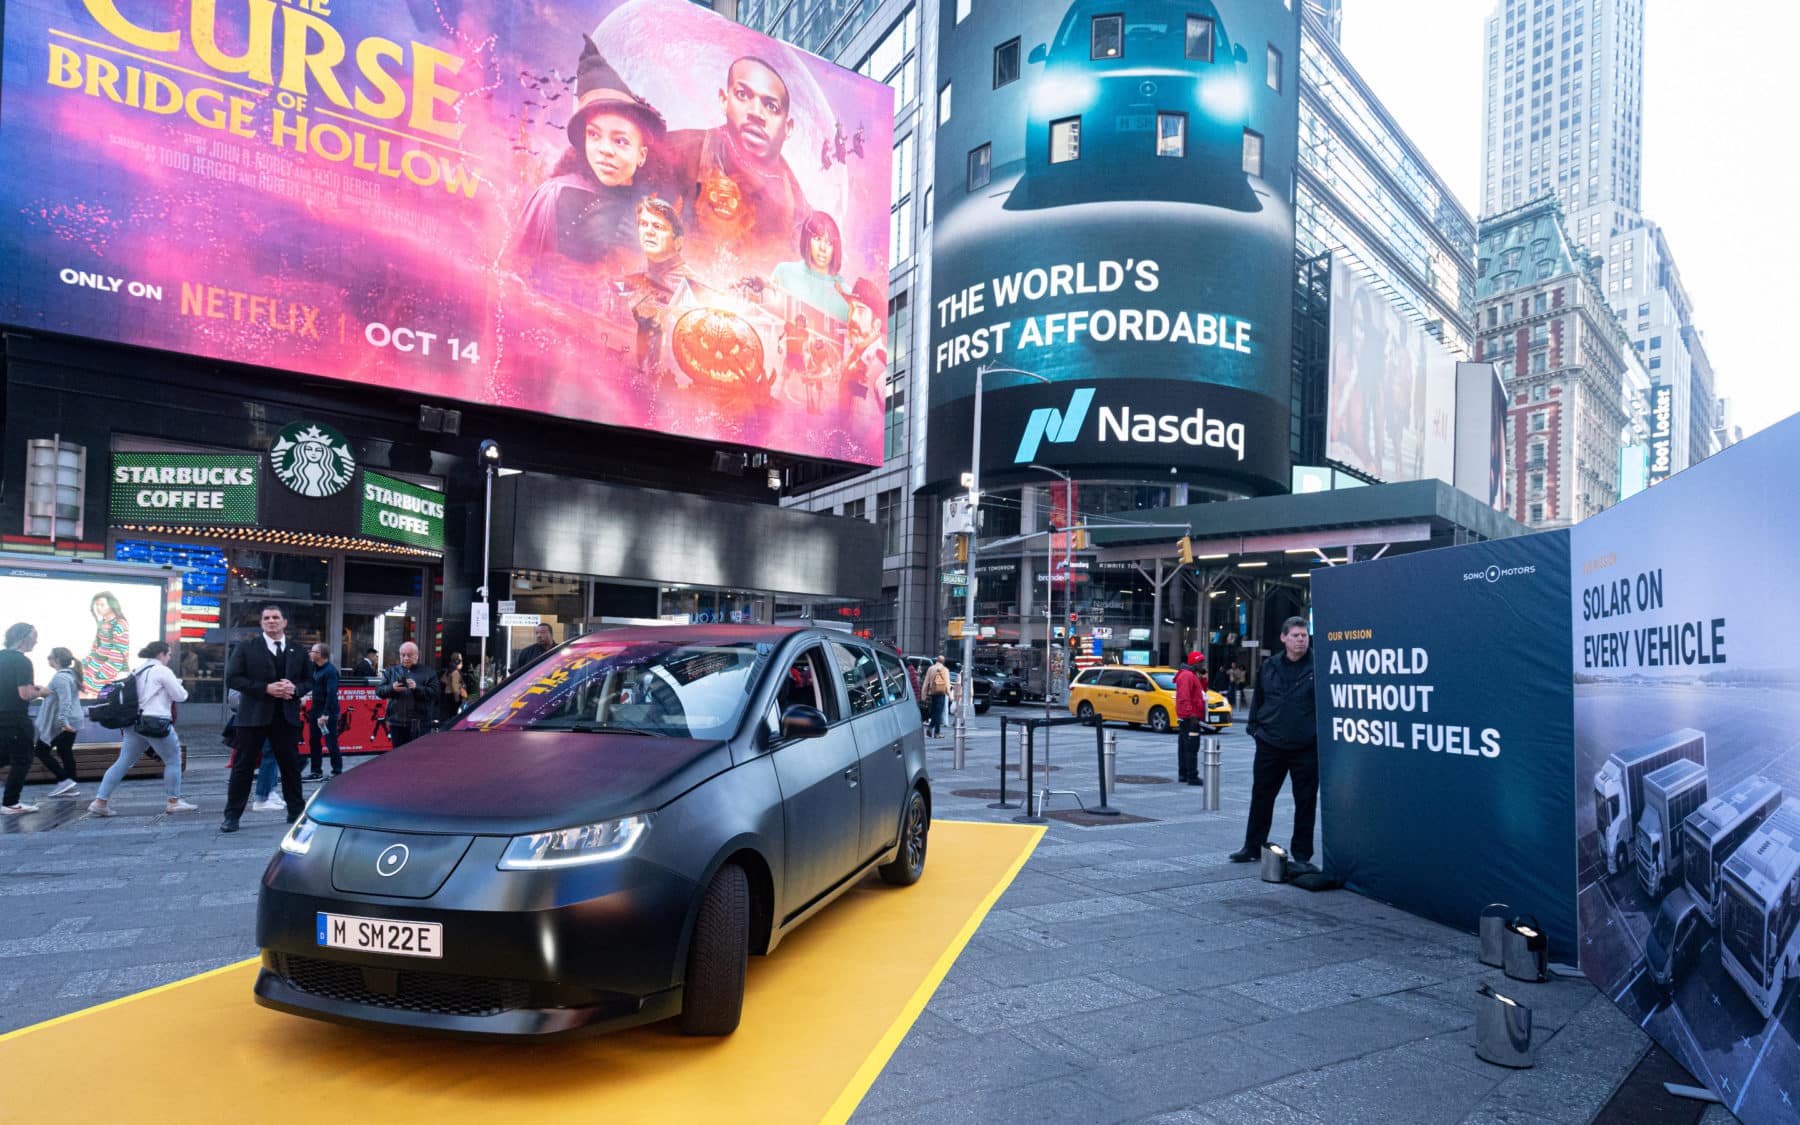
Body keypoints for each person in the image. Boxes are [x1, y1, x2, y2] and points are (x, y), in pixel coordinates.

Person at [515, 35, 670, 266]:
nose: (605, 150)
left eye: (620, 141)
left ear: (642, 154)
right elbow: (520, 271)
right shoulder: (556, 193)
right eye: (594, 135)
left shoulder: (652, 209)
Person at [662, 56, 813, 274]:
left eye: (771, 106)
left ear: (788, 127)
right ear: (724, 99)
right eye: (743, 95)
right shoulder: (677, 152)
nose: (756, 113)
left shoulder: (802, 216)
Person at [1231, 618, 1319, 871]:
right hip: (1270, 744)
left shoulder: (1318, 666)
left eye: (1304, 635)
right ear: (1283, 638)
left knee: (1305, 800)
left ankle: (1302, 854)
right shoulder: (1269, 666)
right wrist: (1254, 729)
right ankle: (1252, 846)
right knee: (1261, 796)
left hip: (1305, 747)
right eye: (1295, 635)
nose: (1301, 639)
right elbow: (1258, 699)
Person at [219, 605, 313, 833]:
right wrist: (266, 689)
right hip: (253, 717)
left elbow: (310, 681)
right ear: (261, 623)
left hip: (286, 717)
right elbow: (232, 679)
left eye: (276, 617)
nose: (271, 621)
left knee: (290, 767)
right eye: (267, 618)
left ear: (284, 622)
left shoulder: (298, 650)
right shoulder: (246, 648)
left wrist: (295, 688)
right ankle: (232, 817)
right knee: (242, 767)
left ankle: (296, 813)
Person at [86, 641, 197, 817]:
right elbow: (180, 695)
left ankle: (100, 801)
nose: (169, 658)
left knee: (123, 762)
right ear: (161, 654)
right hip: (155, 723)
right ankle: (173, 801)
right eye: (168, 654)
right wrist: (177, 683)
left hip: (134, 724)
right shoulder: (162, 670)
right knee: (173, 759)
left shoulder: (137, 671)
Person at [619, 197, 696, 376]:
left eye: (658, 227)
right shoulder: (638, 273)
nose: (649, 232)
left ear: (677, 241)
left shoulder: (688, 283)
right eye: (644, 224)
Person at [1, 623, 51, 815]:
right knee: (22, 758)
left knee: (3, 757)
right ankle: (11, 802)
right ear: (24, 638)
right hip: (15, 718)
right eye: (34, 637)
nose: (36, 641)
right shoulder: (22, 662)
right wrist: (41, 692)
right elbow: (24, 694)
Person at [771, 212, 849, 321]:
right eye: (817, 239)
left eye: (829, 242)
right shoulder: (784, 272)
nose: (823, 248)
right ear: (807, 239)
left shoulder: (847, 295)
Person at [32, 646, 84, 799]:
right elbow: (58, 695)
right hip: (72, 721)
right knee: (64, 751)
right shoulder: (70, 675)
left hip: (64, 723)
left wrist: (62, 722)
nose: (47, 659)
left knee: (41, 751)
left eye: (50, 656)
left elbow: (65, 700)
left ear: (56, 660)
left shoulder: (61, 677)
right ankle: (71, 785)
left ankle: (64, 780)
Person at [377, 642, 440, 749]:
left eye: (409, 655)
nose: (406, 658)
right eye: (403, 655)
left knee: (418, 755)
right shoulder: (391, 672)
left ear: (417, 655)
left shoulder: (428, 672)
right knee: (398, 755)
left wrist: (417, 688)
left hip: (420, 723)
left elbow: (435, 694)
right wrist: (392, 688)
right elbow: (379, 691)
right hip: (396, 722)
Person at [80, 592, 130, 699]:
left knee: (102, 699)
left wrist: (103, 673)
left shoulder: (120, 624)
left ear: (112, 605)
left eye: (102, 605)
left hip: (109, 669)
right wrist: (86, 662)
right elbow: (96, 646)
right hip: (95, 666)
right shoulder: (102, 623)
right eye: (97, 605)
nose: (98, 608)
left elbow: (119, 653)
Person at [305, 643, 342, 780]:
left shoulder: (330, 671)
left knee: (331, 742)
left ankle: (337, 771)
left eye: (312, 651)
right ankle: (316, 771)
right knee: (314, 741)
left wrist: (325, 714)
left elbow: (331, 694)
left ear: (319, 654)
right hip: (315, 711)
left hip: (328, 712)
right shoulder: (315, 668)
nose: (310, 653)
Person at [1174, 651, 1207, 787]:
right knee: (1191, 747)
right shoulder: (1187, 676)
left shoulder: (1190, 675)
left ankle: (1184, 774)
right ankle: (1192, 776)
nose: (1203, 664)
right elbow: (1184, 696)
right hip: (1190, 718)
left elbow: (1201, 692)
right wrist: (1191, 714)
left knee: (1184, 746)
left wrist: (1204, 678)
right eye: (1201, 662)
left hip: (1188, 717)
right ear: (1195, 663)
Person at [923, 658, 952, 739]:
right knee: (939, 713)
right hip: (941, 693)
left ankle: (933, 729)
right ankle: (936, 731)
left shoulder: (930, 668)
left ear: (937, 661)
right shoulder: (945, 669)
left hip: (932, 692)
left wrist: (923, 694)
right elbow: (947, 683)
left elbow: (926, 682)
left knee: (934, 711)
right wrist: (950, 695)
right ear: (943, 662)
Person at [440, 652, 470, 728]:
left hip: (448, 695)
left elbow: (443, 680)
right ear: (457, 662)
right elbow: (455, 687)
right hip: (454, 697)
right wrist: (457, 698)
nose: (462, 662)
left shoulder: (449, 671)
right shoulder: (455, 673)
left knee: (449, 715)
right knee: (454, 715)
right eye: (460, 660)